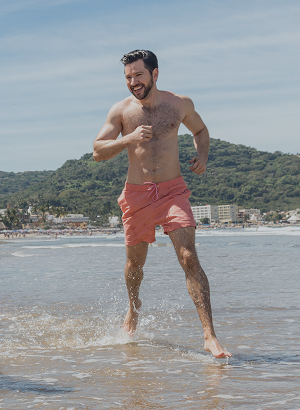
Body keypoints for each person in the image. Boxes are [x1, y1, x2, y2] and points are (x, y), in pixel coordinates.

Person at [93, 49, 231, 358]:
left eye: (138, 75)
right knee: (135, 266)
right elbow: (97, 151)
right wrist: (128, 139)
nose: (133, 82)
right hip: (136, 194)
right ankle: (134, 307)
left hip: (172, 192)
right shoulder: (121, 111)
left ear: (155, 74)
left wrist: (203, 156)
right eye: (128, 78)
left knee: (188, 256)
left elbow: (201, 129)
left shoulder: (179, 104)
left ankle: (209, 335)